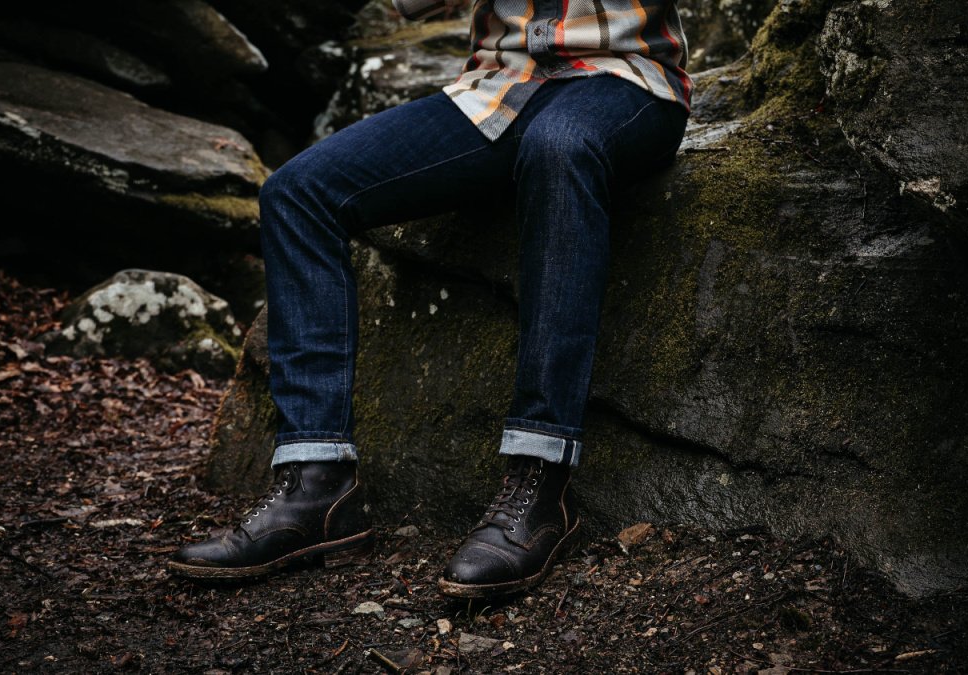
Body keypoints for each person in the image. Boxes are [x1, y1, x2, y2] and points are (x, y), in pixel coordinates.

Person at [169, 0, 691, 597]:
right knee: (297, 193)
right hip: (497, 89)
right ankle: (317, 486)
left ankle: (539, 484)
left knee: (558, 147)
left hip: (627, 83)